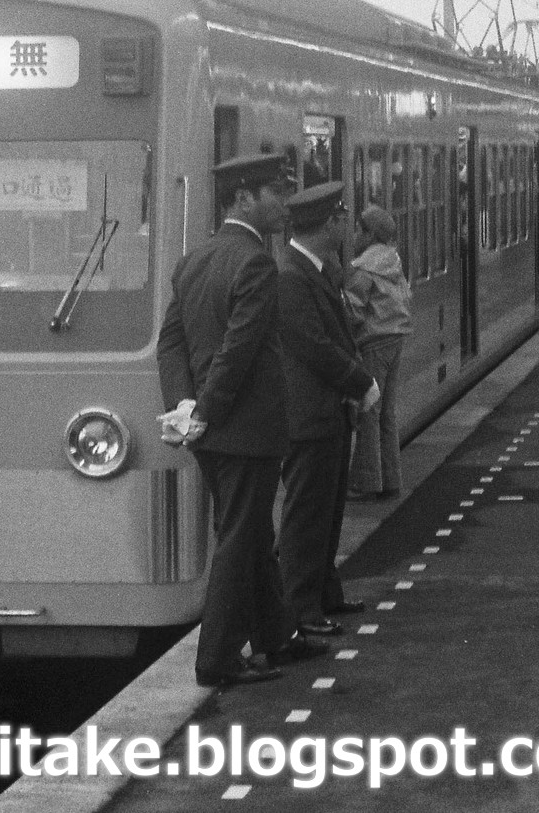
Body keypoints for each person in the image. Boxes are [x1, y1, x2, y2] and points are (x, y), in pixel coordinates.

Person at [156, 153, 322, 687]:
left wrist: (185, 408)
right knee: (238, 540)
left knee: (248, 533)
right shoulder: (255, 263)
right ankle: (217, 659)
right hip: (246, 429)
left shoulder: (194, 261)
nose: (285, 202)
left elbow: (172, 344)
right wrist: (204, 410)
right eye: (276, 190)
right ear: (245, 196)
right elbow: (240, 349)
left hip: (211, 432)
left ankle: (277, 636)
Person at [275, 182, 379, 637]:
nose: (347, 226)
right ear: (330, 223)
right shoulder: (291, 276)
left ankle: (325, 594)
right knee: (307, 515)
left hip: (327, 411)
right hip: (307, 415)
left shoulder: (313, 269)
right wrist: (362, 381)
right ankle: (301, 609)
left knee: (330, 507)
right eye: (342, 218)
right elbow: (313, 346)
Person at [343, 205, 411, 500]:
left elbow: (353, 310)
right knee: (388, 412)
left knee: (369, 410)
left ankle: (367, 481)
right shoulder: (393, 262)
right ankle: (391, 478)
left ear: (369, 233)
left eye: (359, 230)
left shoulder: (363, 268)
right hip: (396, 338)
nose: (355, 235)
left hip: (373, 341)